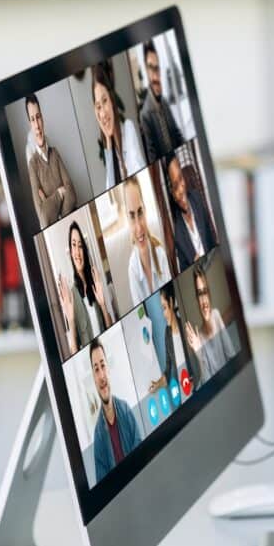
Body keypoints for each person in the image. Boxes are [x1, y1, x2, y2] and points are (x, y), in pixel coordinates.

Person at [56, 221, 114, 356]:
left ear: (85, 250)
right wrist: (70, 320)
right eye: (73, 245)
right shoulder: (71, 296)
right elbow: (74, 353)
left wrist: (103, 306)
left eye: (80, 245)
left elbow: (110, 328)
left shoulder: (95, 282)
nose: (77, 251)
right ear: (70, 252)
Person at [90, 338, 141, 483]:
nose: (101, 376)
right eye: (96, 369)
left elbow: (141, 451)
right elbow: (104, 484)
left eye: (103, 366)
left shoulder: (125, 409)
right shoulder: (98, 435)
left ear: (109, 369)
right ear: (93, 378)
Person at [25, 93, 78, 227]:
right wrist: (60, 194)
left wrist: (52, 206)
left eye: (38, 117)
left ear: (42, 118)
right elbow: (43, 216)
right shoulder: (33, 165)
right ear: (30, 124)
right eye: (32, 119)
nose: (37, 125)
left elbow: (71, 193)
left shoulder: (55, 153)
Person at [91, 61, 146, 190]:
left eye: (104, 101)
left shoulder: (128, 128)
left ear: (111, 99)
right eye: (98, 107)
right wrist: (109, 144)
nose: (103, 113)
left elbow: (139, 176)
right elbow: (110, 189)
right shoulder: (108, 149)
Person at [124, 175, 172, 305]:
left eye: (140, 212)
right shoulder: (133, 270)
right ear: (127, 219)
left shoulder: (160, 254)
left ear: (145, 210)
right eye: (132, 216)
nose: (139, 227)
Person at [138, 39, 184, 164]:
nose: (155, 76)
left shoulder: (164, 101)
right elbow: (153, 158)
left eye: (157, 69)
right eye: (151, 68)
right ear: (146, 70)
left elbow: (177, 134)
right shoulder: (145, 115)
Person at [185, 266, 234, 380]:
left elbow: (231, 354)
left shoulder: (216, 315)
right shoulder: (199, 338)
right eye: (200, 294)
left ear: (209, 294)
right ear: (197, 300)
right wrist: (199, 354)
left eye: (205, 292)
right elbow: (207, 380)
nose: (204, 301)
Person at [167, 156, 216, 270]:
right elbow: (184, 267)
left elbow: (211, 238)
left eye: (181, 179)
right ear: (171, 193)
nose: (181, 189)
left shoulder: (197, 198)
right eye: (175, 186)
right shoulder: (176, 231)